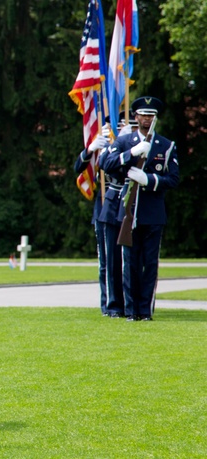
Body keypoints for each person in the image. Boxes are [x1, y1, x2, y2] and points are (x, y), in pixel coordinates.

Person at [99, 96, 180, 321]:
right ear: (136, 117)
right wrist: (131, 154)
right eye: (143, 114)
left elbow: (173, 179)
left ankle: (145, 311)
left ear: (155, 118)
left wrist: (149, 179)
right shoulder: (125, 142)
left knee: (150, 263)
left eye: (151, 115)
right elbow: (106, 164)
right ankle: (131, 310)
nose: (147, 118)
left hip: (153, 212)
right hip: (129, 212)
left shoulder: (166, 145)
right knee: (130, 262)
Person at [73, 113, 127, 317]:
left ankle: (127, 303)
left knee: (127, 260)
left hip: (128, 205)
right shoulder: (103, 143)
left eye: (124, 124)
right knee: (106, 261)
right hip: (104, 208)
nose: (120, 127)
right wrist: (91, 149)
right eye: (118, 123)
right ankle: (108, 305)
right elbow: (78, 168)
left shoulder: (130, 143)